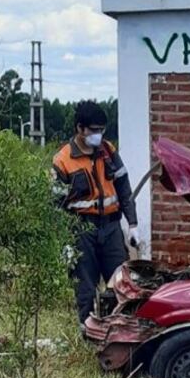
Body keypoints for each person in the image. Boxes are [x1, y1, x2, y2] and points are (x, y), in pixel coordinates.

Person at [53, 101, 139, 323]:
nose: (98, 135)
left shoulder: (108, 152)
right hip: (82, 232)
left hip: (110, 228)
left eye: (101, 130)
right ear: (80, 128)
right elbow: (55, 206)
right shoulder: (63, 160)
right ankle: (88, 336)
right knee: (85, 289)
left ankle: (119, 333)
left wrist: (132, 224)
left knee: (121, 284)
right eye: (94, 130)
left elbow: (124, 188)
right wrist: (64, 242)